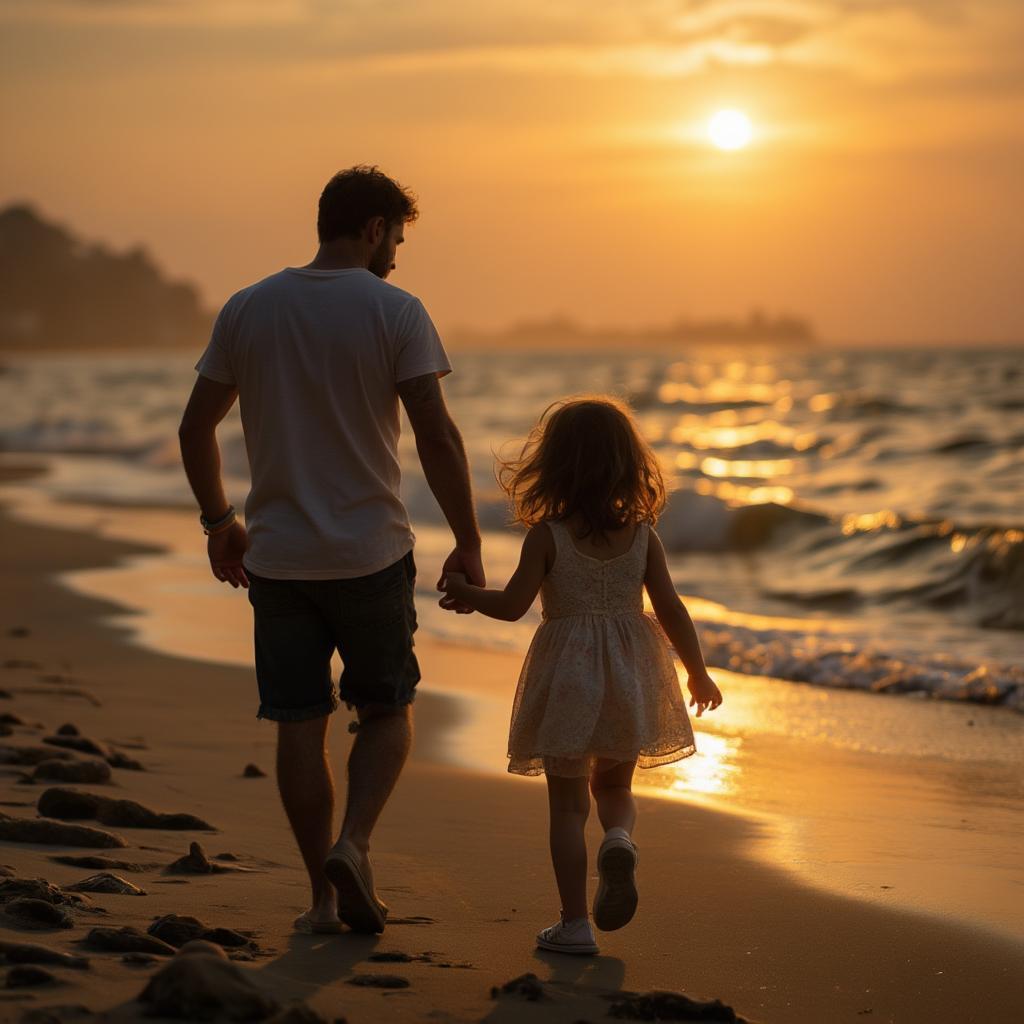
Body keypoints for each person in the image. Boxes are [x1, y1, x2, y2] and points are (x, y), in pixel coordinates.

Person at [178, 166, 483, 936]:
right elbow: (437, 436)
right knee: (386, 711)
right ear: (375, 228)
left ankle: (319, 897)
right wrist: (470, 540)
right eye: (398, 239)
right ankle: (355, 843)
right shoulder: (397, 311)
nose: (397, 257)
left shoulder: (247, 308)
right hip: (371, 555)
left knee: (298, 723)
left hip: (277, 561)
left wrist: (220, 522)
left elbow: (194, 428)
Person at [438, 396, 722, 955]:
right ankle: (619, 839)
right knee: (614, 786)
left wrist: (469, 594)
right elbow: (671, 608)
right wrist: (698, 673)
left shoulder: (548, 536)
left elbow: (515, 606)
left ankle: (574, 926)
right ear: (628, 463)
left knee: (568, 807)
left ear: (554, 464)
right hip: (633, 670)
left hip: (568, 675)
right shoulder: (643, 535)